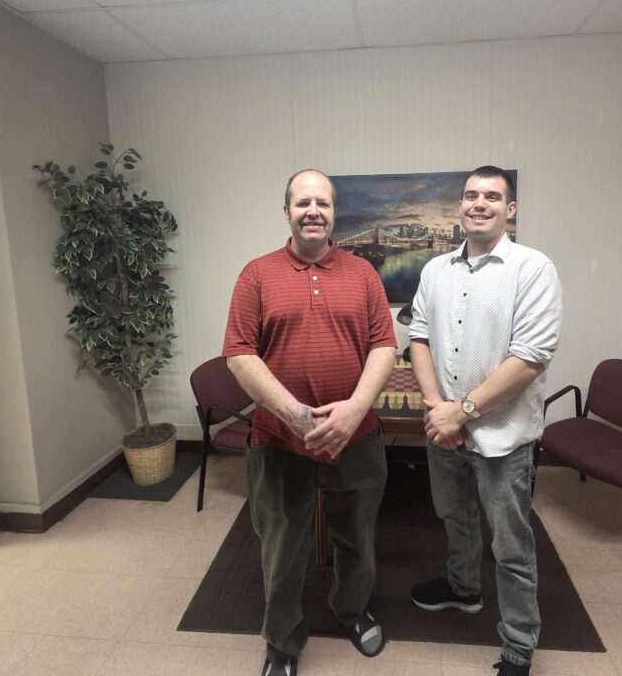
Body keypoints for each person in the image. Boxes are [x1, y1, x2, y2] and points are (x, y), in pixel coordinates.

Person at [223, 169, 397, 676]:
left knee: (357, 540)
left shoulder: (363, 273)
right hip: (278, 441)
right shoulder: (256, 274)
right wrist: (297, 417)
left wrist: (354, 410)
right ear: (287, 211)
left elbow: (384, 346)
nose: (313, 211)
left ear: (335, 212)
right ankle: (282, 641)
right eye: (303, 203)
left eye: (323, 202)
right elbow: (238, 353)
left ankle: (352, 609)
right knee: (282, 548)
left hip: (357, 438)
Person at [408, 166, 562, 676]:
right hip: (445, 431)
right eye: (471, 195)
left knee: (511, 545)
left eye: (492, 196)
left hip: (503, 437)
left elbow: (530, 358)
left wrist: (462, 411)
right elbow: (420, 338)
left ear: (509, 209)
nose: (480, 203)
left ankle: (518, 645)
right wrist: (436, 409)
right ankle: (463, 589)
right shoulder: (435, 270)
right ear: (459, 206)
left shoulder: (533, 268)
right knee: (455, 518)